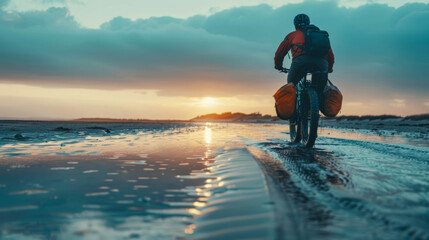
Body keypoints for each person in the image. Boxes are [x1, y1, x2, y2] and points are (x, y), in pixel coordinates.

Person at [274, 14, 334, 92]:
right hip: (321, 63)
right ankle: (321, 102)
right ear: (308, 23)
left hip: (300, 62)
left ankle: (294, 101)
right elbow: (331, 55)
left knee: (291, 86)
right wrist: (329, 69)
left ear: (295, 25)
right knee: (323, 90)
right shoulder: (320, 36)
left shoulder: (292, 35)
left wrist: (279, 66)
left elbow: (280, 54)